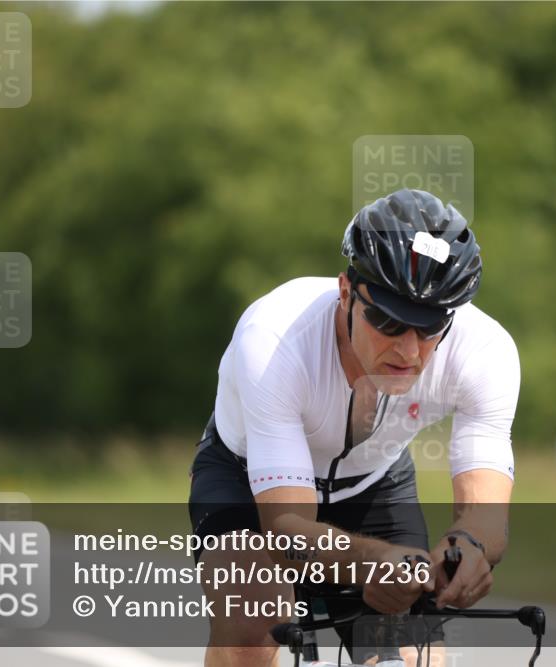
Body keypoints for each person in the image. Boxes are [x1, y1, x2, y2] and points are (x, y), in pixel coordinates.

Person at [188, 188, 520, 666]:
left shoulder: (485, 352)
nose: (409, 350)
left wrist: (468, 548)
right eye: (387, 320)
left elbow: (487, 513)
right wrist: (370, 563)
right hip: (244, 478)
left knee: (412, 656)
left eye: (429, 328)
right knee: (253, 627)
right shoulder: (275, 339)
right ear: (346, 292)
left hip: (372, 480)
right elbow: (286, 529)